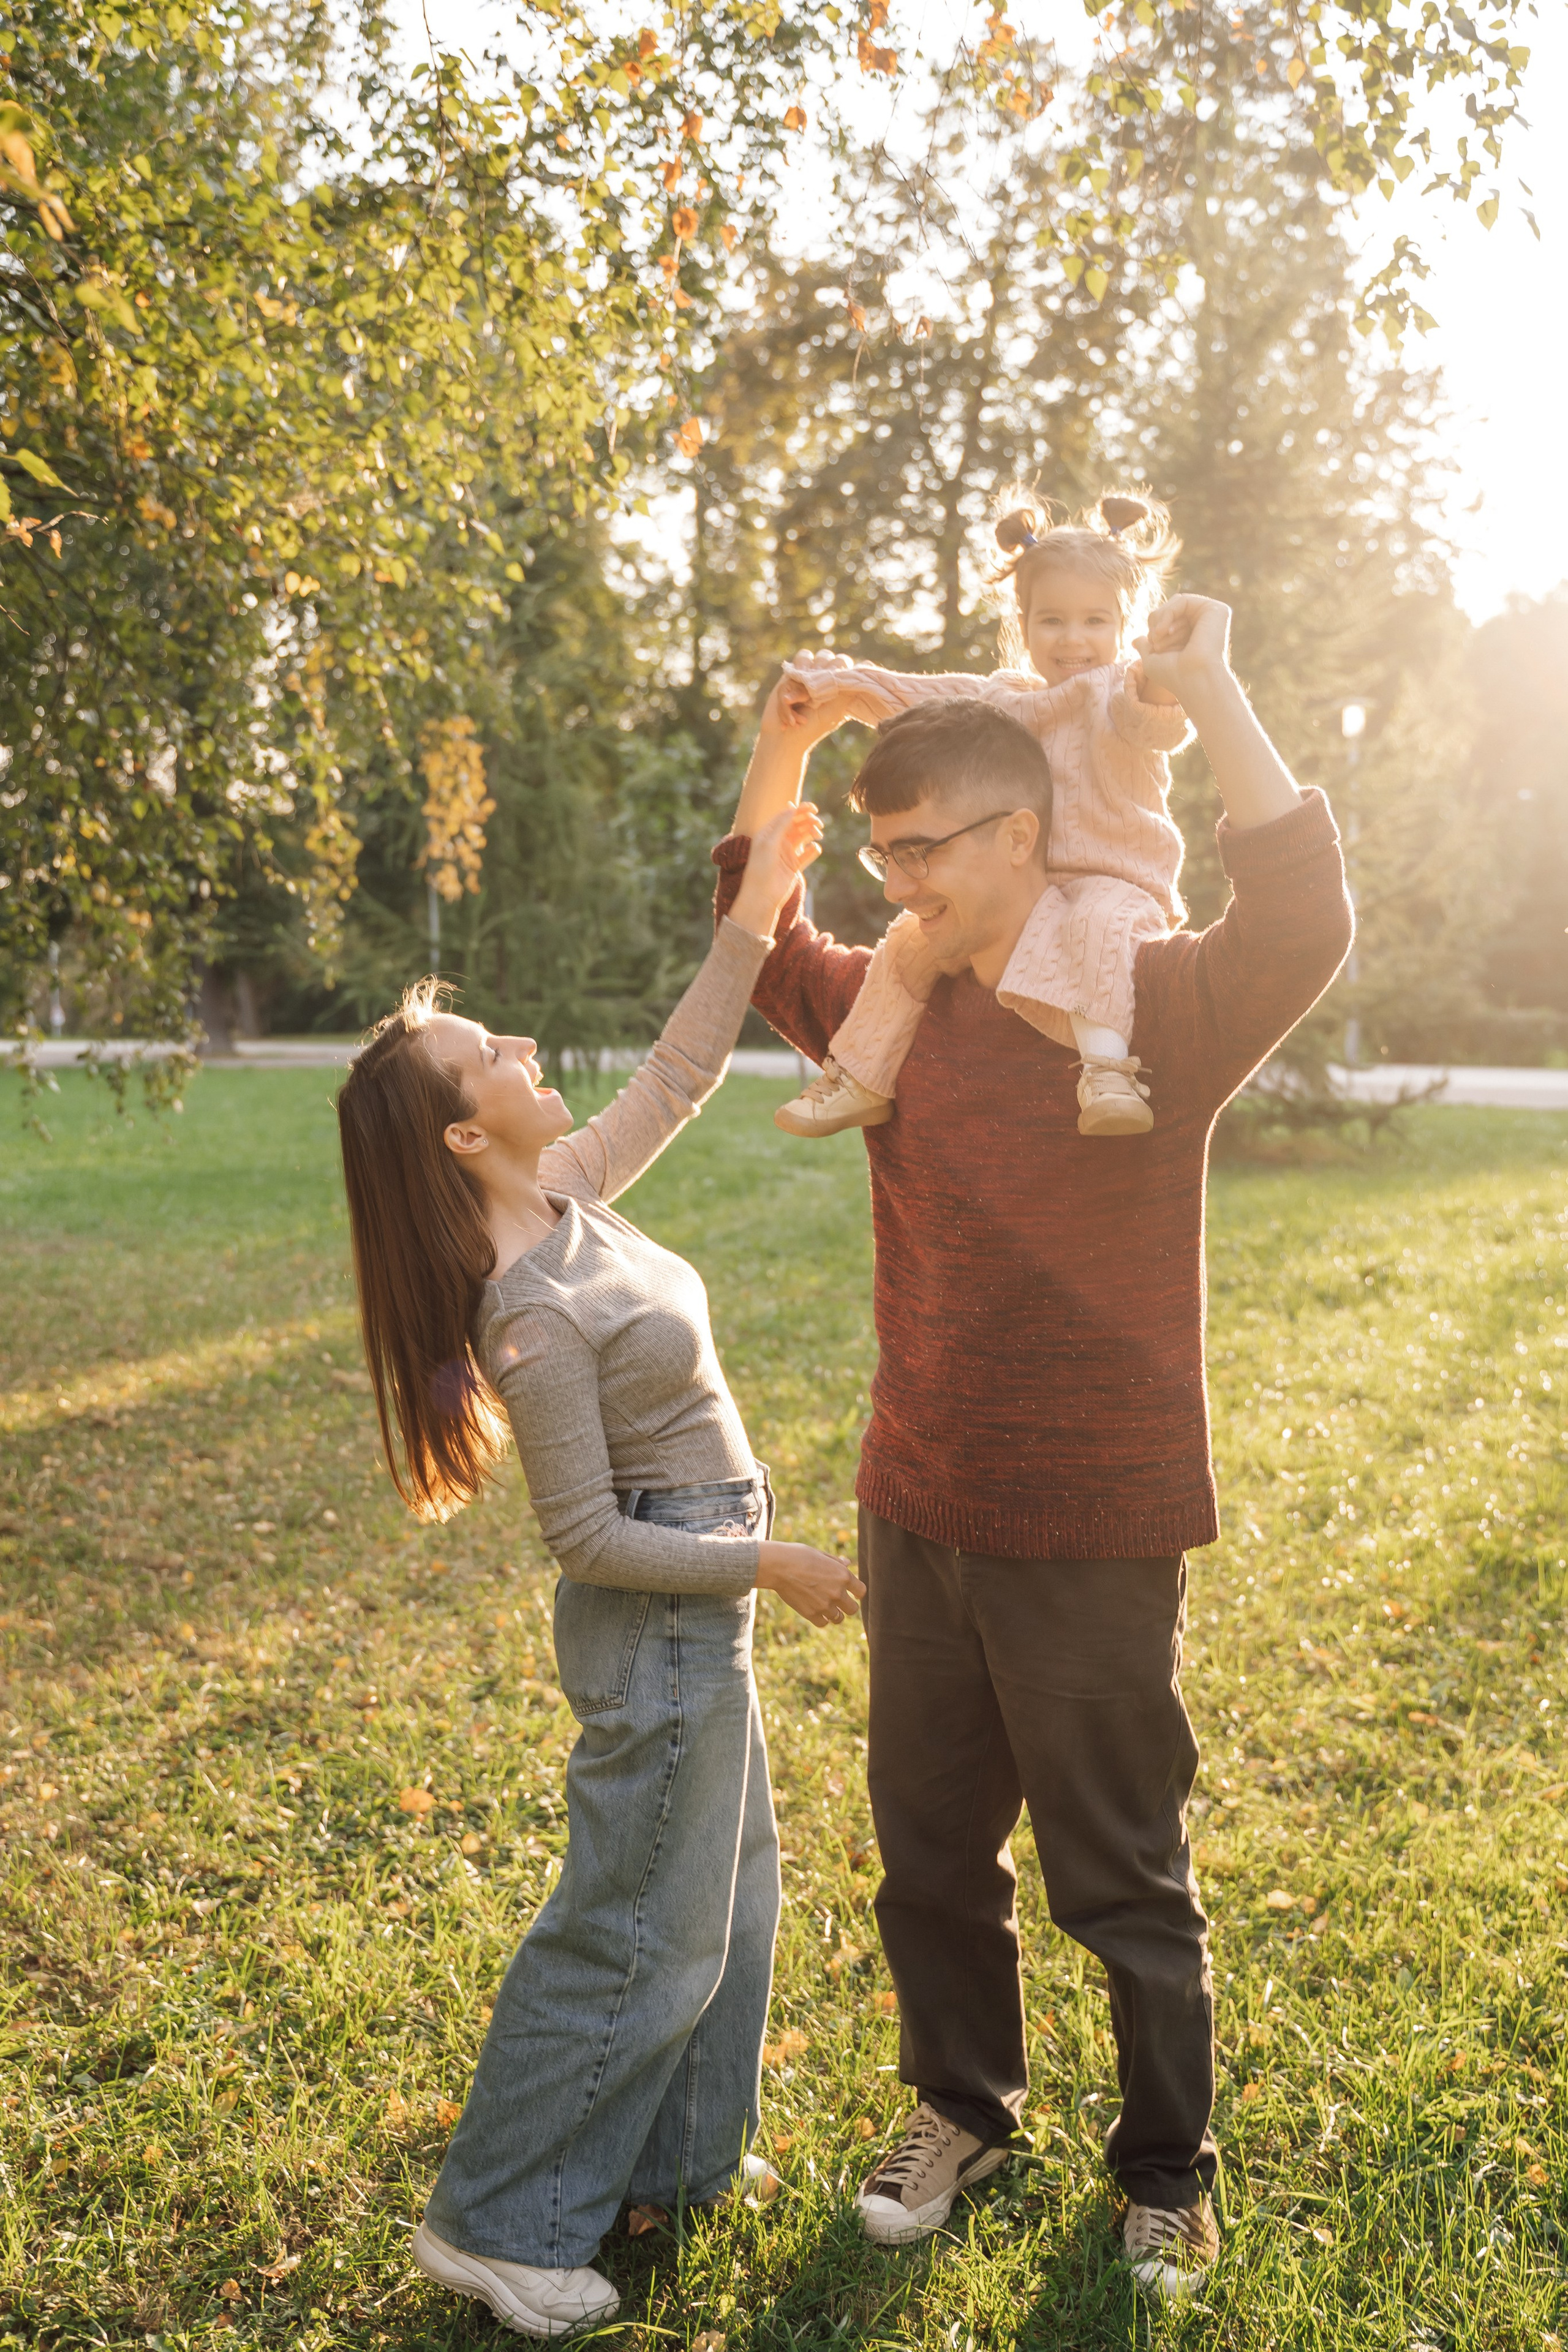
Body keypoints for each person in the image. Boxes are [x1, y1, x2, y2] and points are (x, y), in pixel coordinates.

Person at [712, 593, 1353, 2297]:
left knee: (1121, 1871)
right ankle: (960, 2108)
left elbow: (1301, 915)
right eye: (881, 852)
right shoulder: (896, 1016)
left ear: (1029, 830)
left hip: (1094, 1514)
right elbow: (756, 926)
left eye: (924, 848)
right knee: (928, 1849)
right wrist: (786, 743)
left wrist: (1212, 689)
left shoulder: (1143, 1009)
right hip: (920, 1502)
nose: (895, 884)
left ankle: (1164, 2169)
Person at [335, 802, 864, 2341]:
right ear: (459, 1134)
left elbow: (683, 1067)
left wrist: (758, 911)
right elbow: (581, 1537)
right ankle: (496, 2227)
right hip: (662, 1622)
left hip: (694, 1610)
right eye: (479, 1054)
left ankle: (678, 2168)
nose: (511, 1042)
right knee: (634, 1922)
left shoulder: (569, 1185)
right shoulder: (529, 1307)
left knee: (730, 1901)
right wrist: (764, 1559)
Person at [772, 492, 1190, 1141]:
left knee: (1097, 927)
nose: (1074, 640)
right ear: (1022, 625)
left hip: (1118, 878)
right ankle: (859, 1074)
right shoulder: (1001, 700)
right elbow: (912, 697)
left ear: (1122, 625)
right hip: (1027, 889)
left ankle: (1107, 1071)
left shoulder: (1119, 691)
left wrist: (1165, 670)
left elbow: (1155, 720)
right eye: (1052, 621)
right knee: (909, 944)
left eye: (1094, 621)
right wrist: (838, 685)